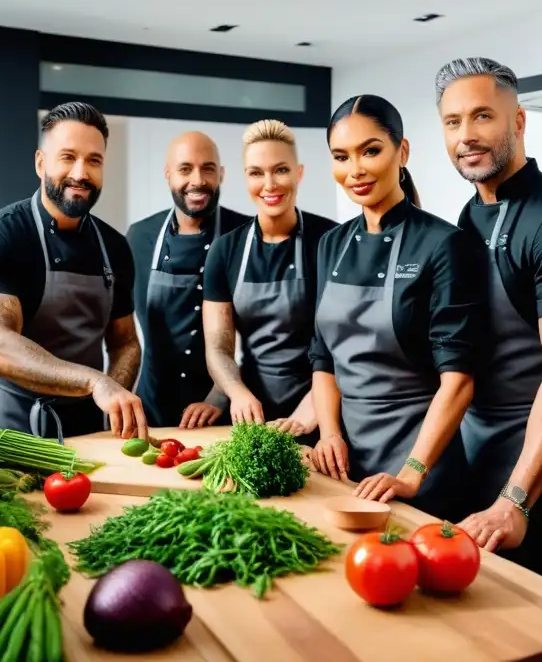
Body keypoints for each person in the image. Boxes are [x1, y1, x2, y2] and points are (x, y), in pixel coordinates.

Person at [434, 58, 542, 581]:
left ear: (518, 122)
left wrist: (516, 499)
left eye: (483, 116)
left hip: (540, 473)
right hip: (478, 456)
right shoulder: (471, 215)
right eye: (453, 122)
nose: (467, 136)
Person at [309, 94, 481, 521]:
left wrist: (411, 473)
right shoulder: (331, 243)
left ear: (402, 151)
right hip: (348, 470)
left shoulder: (443, 244)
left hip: (425, 474)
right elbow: (323, 358)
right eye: (341, 156)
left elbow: (458, 380)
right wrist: (329, 435)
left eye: (371, 151)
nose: (356, 170)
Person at [0, 102, 146, 441]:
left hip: (89, 431)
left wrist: (113, 395)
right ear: (40, 163)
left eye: (94, 160)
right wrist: (94, 381)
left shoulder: (114, 246)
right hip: (11, 433)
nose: (80, 172)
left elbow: (126, 342)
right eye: (67, 157)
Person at [202, 120, 338, 441]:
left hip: (321, 413)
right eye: (256, 173)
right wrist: (235, 392)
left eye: (280, 170)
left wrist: (310, 415)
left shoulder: (331, 241)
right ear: (244, 177)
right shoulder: (225, 250)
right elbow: (219, 348)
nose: (269, 184)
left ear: (299, 173)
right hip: (253, 416)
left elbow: (344, 346)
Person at [126, 131, 249, 429]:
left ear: (220, 174)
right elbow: (122, 334)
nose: (197, 180)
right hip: (150, 411)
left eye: (208, 168)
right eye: (185, 169)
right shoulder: (139, 237)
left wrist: (220, 397)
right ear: (168, 175)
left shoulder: (245, 234)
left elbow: (263, 342)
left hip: (224, 412)